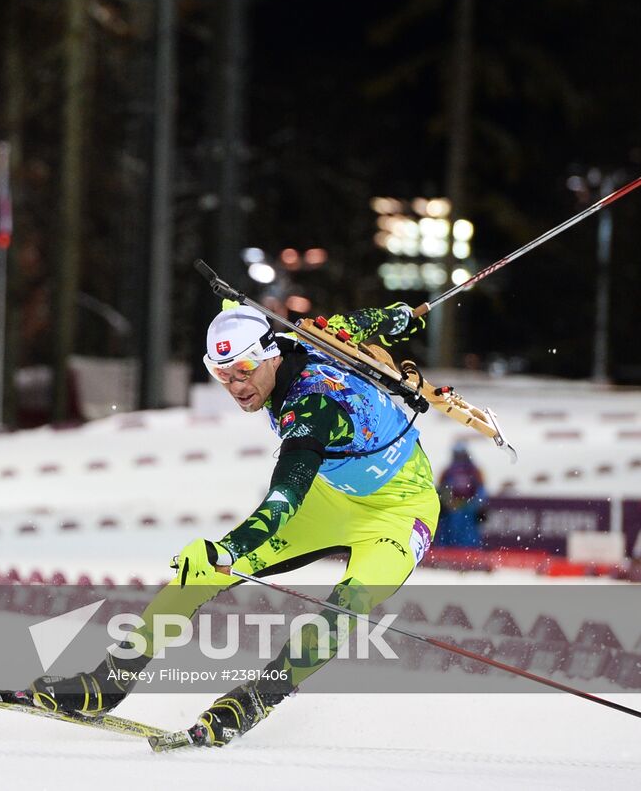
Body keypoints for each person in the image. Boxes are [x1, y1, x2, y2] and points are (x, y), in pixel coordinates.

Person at [31, 301, 438, 747]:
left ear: (271, 354)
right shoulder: (308, 335)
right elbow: (363, 322)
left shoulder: (313, 408)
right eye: (222, 374)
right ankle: (107, 684)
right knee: (198, 573)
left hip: (401, 513)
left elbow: (283, 499)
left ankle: (256, 700)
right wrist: (402, 316)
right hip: (332, 497)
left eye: (244, 369)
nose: (237, 385)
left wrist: (227, 550)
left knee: (347, 604)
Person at [436, 441, 489, 547]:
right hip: (452, 508)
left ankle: (469, 554)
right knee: (449, 531)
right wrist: (446, 503)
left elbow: (481, 489)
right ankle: (449, 553)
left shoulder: (474, 471)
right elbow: (442, 489)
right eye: (457, 454)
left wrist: (479, 505)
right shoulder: (448, 471)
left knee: (468, 533)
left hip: (469, 508)